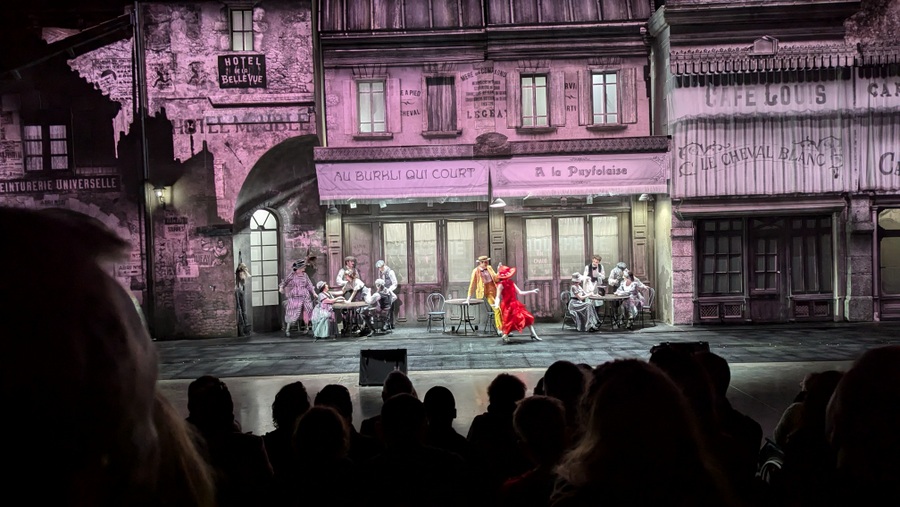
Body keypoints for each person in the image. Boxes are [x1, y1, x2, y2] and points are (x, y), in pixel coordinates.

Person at [493, 264, 541, 343]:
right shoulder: (500, 285)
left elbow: (520, 292)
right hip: (507, 306)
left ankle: (533, 334)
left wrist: (532, 291)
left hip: (515, 304)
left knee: (527, 317)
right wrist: (496, 304)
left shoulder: (511, 283)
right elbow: (497, 296)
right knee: (510, 322)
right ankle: (505, 335)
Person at [279, 258, 316, 337]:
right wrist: (281, 288)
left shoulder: (305, 275)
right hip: (295, 295)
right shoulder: (292, 274)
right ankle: (288, 329)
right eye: (303, 267)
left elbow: (309, 285)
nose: (304, 269)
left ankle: (307, 327)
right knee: (292, 309)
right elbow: (285, 282)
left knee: (308, 309)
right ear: (299, 268)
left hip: (305, 294)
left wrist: (314, 293)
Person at [467, 255, 502, 334]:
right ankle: (500, 329)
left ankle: (505, 329)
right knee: (497, 309)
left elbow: (496, 279)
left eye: (487, 262)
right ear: (480, 263)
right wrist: (468, 298)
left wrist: (498, 270)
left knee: (501, 310)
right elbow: (472, 285)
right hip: (486, 292)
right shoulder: (476, 271)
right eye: (485, 262)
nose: (486, 263)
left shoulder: (489, 268)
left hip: (494, 290)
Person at [375, 259, 400, 328]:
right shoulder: (380, 272)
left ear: (384, 265)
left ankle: (390, 324)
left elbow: (395, 283)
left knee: (390, 308)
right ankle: (385, 323)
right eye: (379, 268)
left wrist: (389, 290)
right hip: (383, 292)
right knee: (383, 307)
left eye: (381, 267)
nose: (380, 269)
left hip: (390, 291)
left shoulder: (390, 272)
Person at [235, 262, 251, 335]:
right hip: (238, 292)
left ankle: (246, 328)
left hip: (241, 292)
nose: (242, 275)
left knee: (243, 311)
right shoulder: (237, 281)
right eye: (241, 274)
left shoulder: (242, 282)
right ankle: (242, 330)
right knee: (240, 311)